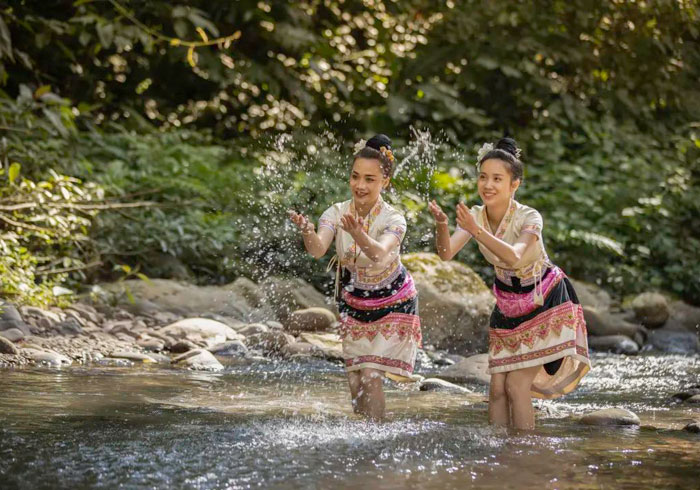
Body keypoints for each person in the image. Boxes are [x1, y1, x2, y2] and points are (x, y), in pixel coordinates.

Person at [428, 137, 590, 430]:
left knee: (517, 386)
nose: (487, 185)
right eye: (483, 177)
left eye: (497, 179)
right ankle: (498, 453)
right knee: (497, 389)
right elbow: (445, 253)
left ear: (514, 184)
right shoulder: (477, 215)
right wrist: (442, 225)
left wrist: (476, 231)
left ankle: (524, 457)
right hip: (507, 303)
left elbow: (515, 257)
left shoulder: (530, 216)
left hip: (545, 299)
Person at [289, 134, 421, 421]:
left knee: (372, 374)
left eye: (370, 179)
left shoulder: (395, 218)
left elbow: (378, 254)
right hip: (355, 299)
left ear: (385, 182)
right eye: (355, 176)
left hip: (394, 300)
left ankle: (377, 437)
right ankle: (363, 436)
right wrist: (307, 231)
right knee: (355, 382)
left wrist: (359, 233)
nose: (360, 185)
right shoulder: (336, 212)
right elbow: (317, 250)